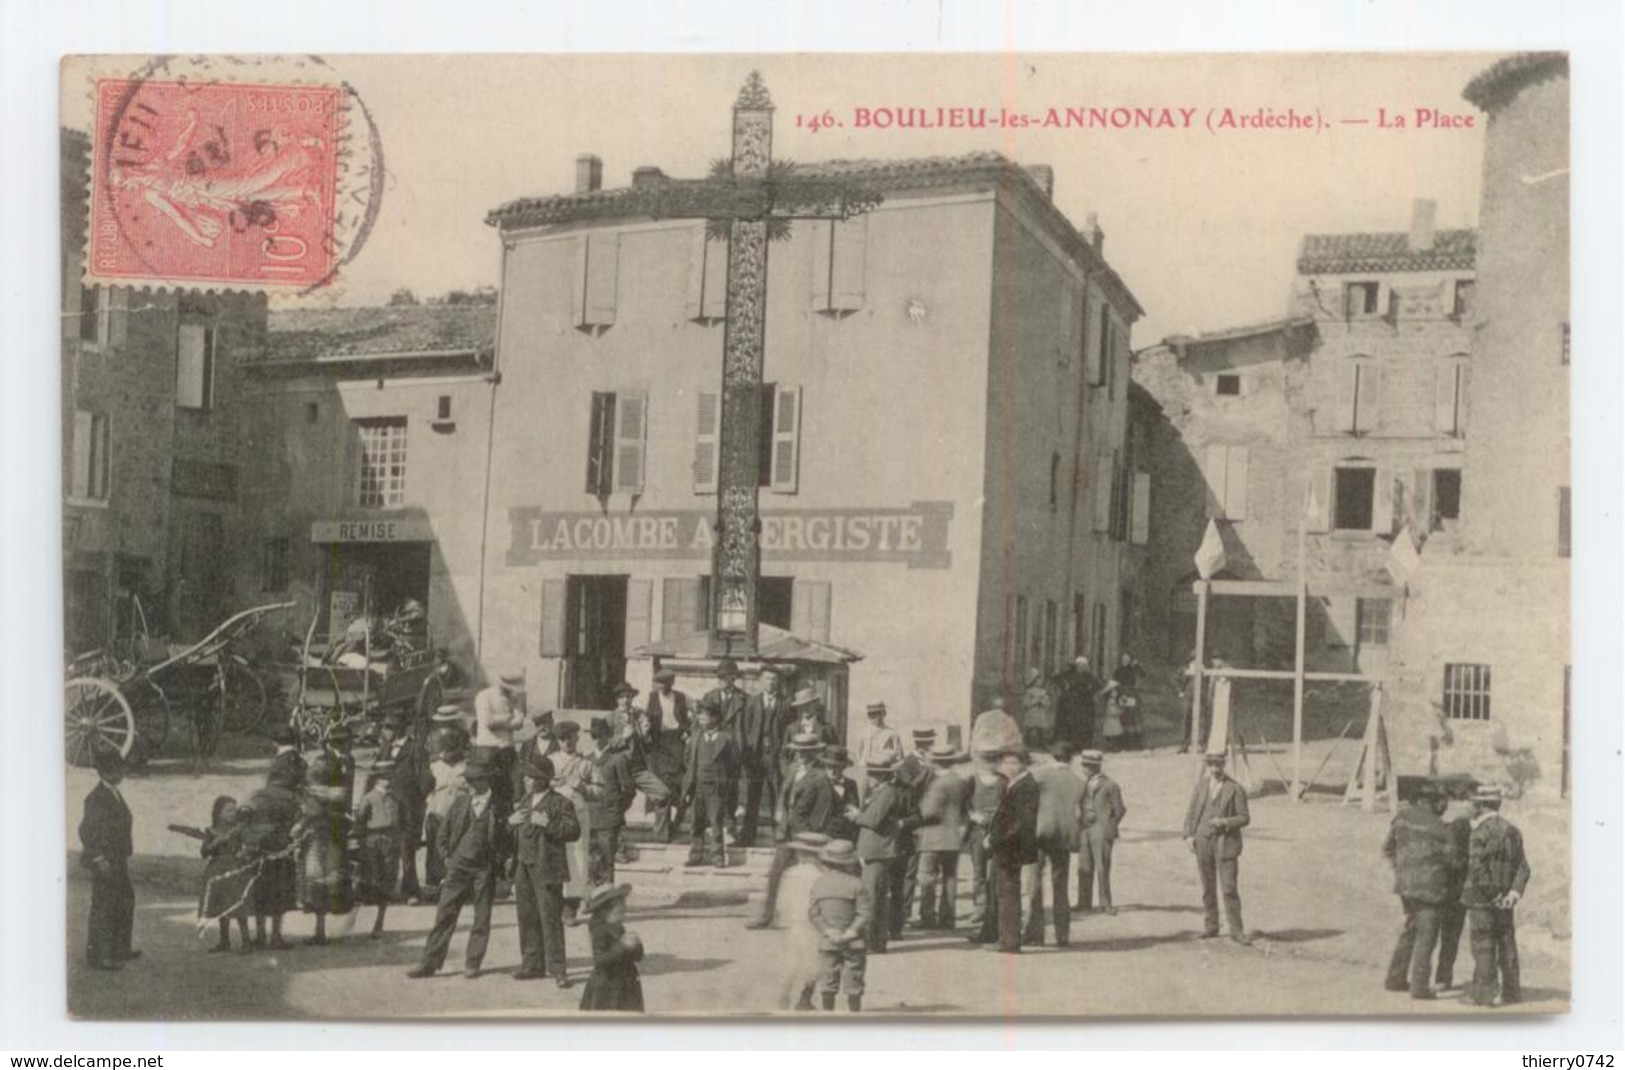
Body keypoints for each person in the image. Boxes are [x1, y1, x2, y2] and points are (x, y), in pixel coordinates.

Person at [408, 758, 507, 980]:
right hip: (457, 866)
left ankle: (473, 963)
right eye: (469, 779)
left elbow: (508, 839)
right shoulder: (461, 803)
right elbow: (442, 835)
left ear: (486, 780)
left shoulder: (500, 806)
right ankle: (429, 962)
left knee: (481, 916)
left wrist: (498, 862)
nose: (471, 784)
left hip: (485, 868)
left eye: (475, 780)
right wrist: (447, 860)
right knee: (445, 913)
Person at [1382, 780, 1461, 1000]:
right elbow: (1454, 861)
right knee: (1426, 936)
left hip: (1405, 888)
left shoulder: (1401, 819)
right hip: (1431, 891)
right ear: (1430, 801)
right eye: (1442, 801)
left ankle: (1395, 979)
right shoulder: (1441, 829)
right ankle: (1419, 987)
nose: (1445, 806)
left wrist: (1402, 869)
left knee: (1410, 931)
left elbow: (1388, 849)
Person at [509, 753, 582, 986]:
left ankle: (558, 970)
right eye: (525, 777)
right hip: (524, 865)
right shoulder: (524, 800)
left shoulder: (560, 802)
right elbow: (515, 832)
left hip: (547, 868)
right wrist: (511, 822)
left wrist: (548, 824)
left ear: (542, 779)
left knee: (550, 918)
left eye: (530, 777)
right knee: (527, 916)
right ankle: (532, 965)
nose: (526, 780)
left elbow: (573, 831)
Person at [748, 731, 834, 929]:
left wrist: (811, 835)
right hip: (787, 832)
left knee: (815, 877)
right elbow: (783, 794)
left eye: (806, 752)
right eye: (798, 751)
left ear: (815, 752)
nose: (801, 755)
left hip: (806, 836)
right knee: (775, 873)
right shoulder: (794, 769)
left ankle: (821, 919)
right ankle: (767, 915)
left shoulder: (820, 776)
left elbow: (823, 809)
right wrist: (779, 812)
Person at [1461, 785, 1530, 1007]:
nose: (1470, 807)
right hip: (1506, 902)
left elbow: (1478, 871)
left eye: (1473, 803)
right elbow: (1523, 867)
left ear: (1480, 806)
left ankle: (1484, 995)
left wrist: (1494, 896)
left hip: (1482, 901)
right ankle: (1512, 992)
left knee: (1483, 945)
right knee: (1507, 942)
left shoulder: (1478, 833)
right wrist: (1512, 893)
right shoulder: (1513, 830)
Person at [972, 747, 1040, 952]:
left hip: (1012, 848)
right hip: (1007, 847)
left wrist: (993, 839)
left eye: (1012, 763)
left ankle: (1009, 942)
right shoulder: (1017, 783)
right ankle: (999, 935)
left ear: (1023, 764)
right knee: (1000, 892)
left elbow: (1018, 823)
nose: (1007, 767)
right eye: (1005, 763)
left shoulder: (1026, 786)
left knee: (1008, 895)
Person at [1183, 751, 1251, 944]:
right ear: (1207, 765)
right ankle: (1211, 926)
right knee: (1207, 886)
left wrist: (1224, 821)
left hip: (1225, 843)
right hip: (1203, 841)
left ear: (1224, 765)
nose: (1215, 768)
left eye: (1218, 764)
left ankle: (1236, 931)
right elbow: (1191, 811)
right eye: (1211, 764)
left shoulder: (1235, 789)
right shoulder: (1202, 786)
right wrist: (1188, 835)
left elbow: (1245, 817)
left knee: (1229, 887)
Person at [80, 750, 137, 970]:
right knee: (104, 906)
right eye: (119, 769)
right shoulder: (95, 798)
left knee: (124, 901)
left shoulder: (113, 792)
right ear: (106, 771)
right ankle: (100, 956)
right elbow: (86, 830)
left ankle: (120, 949)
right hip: (105, 860)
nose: (123, 772)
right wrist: (98, 857)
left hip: (118, 858)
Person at [1025, 740, 1085, 946]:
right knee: (1061, 886)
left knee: (1034, 884)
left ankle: (1035, 933)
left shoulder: (1040, 774)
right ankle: (1062, 935)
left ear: (1053, 756)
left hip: (1040, 833)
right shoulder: (1079, 781)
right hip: (1064, 836)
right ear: (1071, 758)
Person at [293, 755, 352, 946]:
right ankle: (324, 929)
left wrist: (300, 825)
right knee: (331, 880)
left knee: (316, 881)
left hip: (317, 840)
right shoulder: (340, 793)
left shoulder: (310, 794)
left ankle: (320, 931)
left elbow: (312, 814)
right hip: (335, 840)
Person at [248, 745, 302, 950]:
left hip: (261, 850)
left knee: (260, 894)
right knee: (280, 894)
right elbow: (299, 821)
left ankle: (260, 935)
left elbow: (247, 818)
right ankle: (276, 936)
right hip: (282, 850)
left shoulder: (258, 795)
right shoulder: (292, 798)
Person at [375, 707, 431, 903]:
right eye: (385, 727)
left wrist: (417, 801)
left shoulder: (416, 749)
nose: (385, 731)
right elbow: (375, 774)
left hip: (408, 807)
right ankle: (384, 889)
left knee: (407, 849)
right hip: (385, 805)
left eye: (389, 728)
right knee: (384, 847)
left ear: (399, 730)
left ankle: (411, 891)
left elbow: (427, 779)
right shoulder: (384, 749)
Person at [809, 839, 871, 1013]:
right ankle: (854, 1015)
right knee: (854, 980)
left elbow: (814, 914)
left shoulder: (819, 884)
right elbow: (864, 913)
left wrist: (828, 931)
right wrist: (851, 931)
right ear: (850, 862)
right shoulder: (857, 884)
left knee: (828, 981)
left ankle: (828, 1016)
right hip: (854, 941)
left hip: (828, 941)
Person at [915, 741, 971, 931]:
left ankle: (927, 917)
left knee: (927, 878)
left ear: (936, 762)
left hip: (932, 836)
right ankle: (948, 918)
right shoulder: (959, 781)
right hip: (953, 836)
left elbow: (929, 812)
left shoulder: (938, 784)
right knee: (950, 878)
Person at [853, 759, 906, 954]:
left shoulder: (887, 793)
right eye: (871, 772)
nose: (872, 777)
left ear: (885, 775)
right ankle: (876, 942)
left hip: (878, 850)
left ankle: (871, 942)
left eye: (876, 773)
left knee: (873, 898)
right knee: (876, 896)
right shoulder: (881, 792)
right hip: (875, 850)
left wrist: (856, 815)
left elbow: (873, 820)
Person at [775, 831, 832, 1011]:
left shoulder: (791, 873)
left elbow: (782, 901)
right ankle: (805, 997)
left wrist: (783, 919)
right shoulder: (823, 876)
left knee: (791, 962)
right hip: (814, 926)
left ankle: (783, 998)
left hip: (794, 923)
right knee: (815, 964)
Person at [548, 720, 598, 924]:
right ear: (557, 740)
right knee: (553, 855)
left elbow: (600, 791)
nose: (567, 741)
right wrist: (551, 783)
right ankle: (551, 906)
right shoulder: (549, 761)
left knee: (576, 859)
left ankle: (570, 908)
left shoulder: (586, 763)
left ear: (577, 737)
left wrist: (583, 787)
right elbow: (533, 784)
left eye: (570, 737)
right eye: (562, 738)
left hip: (577, 815)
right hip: (553, 814)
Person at [739, 668, 793, 847]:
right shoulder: (751, 702)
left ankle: (778, 836)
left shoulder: (785, 703)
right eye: (768, 679)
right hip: (756, 756)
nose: (771, 682)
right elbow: (745, 729)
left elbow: (788, 730)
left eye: (774, 679)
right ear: (760, 681)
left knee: (777, 795)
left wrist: (784, 753)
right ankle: (747, 836)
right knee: (752, 796)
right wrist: (746, 754)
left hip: (776, 756)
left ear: (778, 682)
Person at [472, 671, 527, 843]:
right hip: (487, 750)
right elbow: (488, 721)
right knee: (488, 793)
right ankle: (486, 834)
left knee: (508, 793)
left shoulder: (514, 698)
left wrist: (502, 721)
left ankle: (505, 836)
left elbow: (520, 723)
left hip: (507, 750)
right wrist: (508, 717)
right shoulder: (484, 697)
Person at [682, 701, 738, 868]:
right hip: (698, 785)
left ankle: (717, 857)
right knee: (696, 823)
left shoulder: (727, 738)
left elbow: (735, 765)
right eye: (699, 716)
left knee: (716, 823)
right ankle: (696, 855)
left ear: (714, 718)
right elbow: (687, 759)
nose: (700, 719)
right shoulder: (696, 736)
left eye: (704, 716)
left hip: (716, 788)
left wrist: (725, 783)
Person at [891, 728, 935, 935]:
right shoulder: (907, 764)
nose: (928, 746)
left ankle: (921, 911)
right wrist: (926, 772)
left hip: (929, 818)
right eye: (925, 743)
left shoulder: (933, 763)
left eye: (929, 742)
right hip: (912, 820)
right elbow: (909, 788)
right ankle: (905, 911)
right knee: (909, 869)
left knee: (922, 868)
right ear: (919, 744)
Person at [423, 708, 471, 900]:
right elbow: (426, 790)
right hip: (437, 812)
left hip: (460, 815)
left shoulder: (465, 767)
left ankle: (458, 887)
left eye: (451, 750)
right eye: (444, 750)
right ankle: (434, 886)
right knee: (435, 849)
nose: (447, 753)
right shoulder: (434, 767)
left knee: (459, 849)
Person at [354, 759, 403, 939]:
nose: (388, 780)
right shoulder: (369, 798)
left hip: (391, 840)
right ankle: (365, 923)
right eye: (384, 777)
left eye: (390, 776)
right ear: (376, 779)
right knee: (372, 878)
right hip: (373, 840)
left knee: (388, 879)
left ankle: (379, 922)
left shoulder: (396, 798)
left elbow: (403, 819)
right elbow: (360, 821)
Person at [198, 795, 253, 953]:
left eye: (234, 810)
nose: (233, 813)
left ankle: (246, 941)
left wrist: (244, 852)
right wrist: (215, 843)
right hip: (216, 869)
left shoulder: (240, 829)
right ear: (218, 813)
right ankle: (224, 940)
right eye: (229, 810)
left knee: (238, 904)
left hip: (235, 868)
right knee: (221, 905)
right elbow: (204, 852)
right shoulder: (211, 831)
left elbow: (249, 846)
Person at [579, 883, 645, 1012]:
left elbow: (638, 957)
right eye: (619, 909)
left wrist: (637, 946)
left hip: (625, 985)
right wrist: (623, 946)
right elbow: (600, 961)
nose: (624, 910)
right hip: (607, 987)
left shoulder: (618, 927)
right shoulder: (599, 932)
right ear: (605, 911)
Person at [636, 671, 686, 842]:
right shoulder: (649, 698)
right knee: (661, 790)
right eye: (658, 684)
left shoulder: (681, 697)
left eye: (664, 684)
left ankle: (675, 826)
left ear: (671, 684)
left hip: (677, 744)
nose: (661, 687)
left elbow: (690, 717)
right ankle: (662, 833)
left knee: (680, 790)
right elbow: (640, 717)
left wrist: (687, 732)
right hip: (658, 746)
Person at [1077, 748, 1128, 914]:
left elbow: (1120, 809)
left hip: (1101, 829)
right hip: (1085, 829)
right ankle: (1084, 902)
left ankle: (1105, 903)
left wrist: (1108, 826)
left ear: (1094, 767)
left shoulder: (1110, 785)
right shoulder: (1082, 784)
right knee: (1084, 866)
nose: (1083, 769)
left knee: (1102, 866)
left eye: (1085, 766)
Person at [588, 717, 636, 887]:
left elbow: (629, 790)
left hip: (609, 819)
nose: (598, 740)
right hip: (590, 818)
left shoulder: (618, 759)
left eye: (601, 735)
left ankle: (606, 901)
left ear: (608, 736)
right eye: (594, 736)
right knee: (591, 861)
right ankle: (593, 898)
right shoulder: (587, 760)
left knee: (606, 860)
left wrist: (616, 810)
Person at [701, 659, 749, 830]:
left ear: (733, 678)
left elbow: (748, 727)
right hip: (714, 748)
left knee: (732, 785)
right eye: (719, 676)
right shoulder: (709, 697)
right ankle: (711, 822)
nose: (720, 679)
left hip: (734, 750)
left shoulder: (744, 699)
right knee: (713, 785)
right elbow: (701, 722)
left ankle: (730, 824)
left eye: (725, 676)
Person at [1436, 797, 1472, 992]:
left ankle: (1430, 978)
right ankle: (1443, 977)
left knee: (1432, 937)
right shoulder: (1468, 832)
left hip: (1438, 891)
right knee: (1450, 939)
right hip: (1456, 894)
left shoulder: (1445, 831)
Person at [965, 756, 1005, 931]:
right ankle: (980, 908)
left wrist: (997, 819)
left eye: (993, 759)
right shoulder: (972, 780)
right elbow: (964, 804)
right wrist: (973, 815)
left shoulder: (1004, 781)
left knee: (997, 872)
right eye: (987, 759)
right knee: (979, 872)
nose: (990, 763)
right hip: (978, 831)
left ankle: (995, 909)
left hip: (998, 831)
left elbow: (1008, 805)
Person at [851, 702, 902, 798]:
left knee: (884, 798)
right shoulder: (863, 733)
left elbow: (899, 756)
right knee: (862, 797)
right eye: (871, 714)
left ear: (883, 714)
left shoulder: (892, 733)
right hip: (866, 772)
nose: (874, 717)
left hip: (884, 774)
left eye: (877, 713)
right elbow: (859, 753)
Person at [1053, 657, 1102, 751]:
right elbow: (1056, 677)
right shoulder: (1070, 673)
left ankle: (1083, 745)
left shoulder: (1089, 675)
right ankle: (1071, 745)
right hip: (1072, 702)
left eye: (1083, 665)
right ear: (1076, 665)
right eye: (1079, 665)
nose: (1081, 667)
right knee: (1071, 724)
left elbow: (1097, 685)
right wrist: (1064, 688)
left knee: (1083, 725)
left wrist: (1090, 692)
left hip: (1085, 703)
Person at [822, 746, 861, 843]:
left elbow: (855, 807)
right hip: (825, 834)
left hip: (846, 835)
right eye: (828, 767)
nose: (832, 771)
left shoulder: (851, 784)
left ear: (843, 767)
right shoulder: (819, 784)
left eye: (835, 767)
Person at [1020, 667, 1054, 740]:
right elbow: (1025, 703)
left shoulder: (1043, 692)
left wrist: (1043, 702)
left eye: (1040, 680)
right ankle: (1029, 742)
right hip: (1032, 713)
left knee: (1041, 729)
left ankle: (1042, 743)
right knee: (1031, 729)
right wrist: (1035, 701)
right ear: (1034, 681)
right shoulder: (1029, 691)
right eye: (1038, 680)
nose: (1040, 682)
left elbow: (1048, 703)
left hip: (1041, 714)